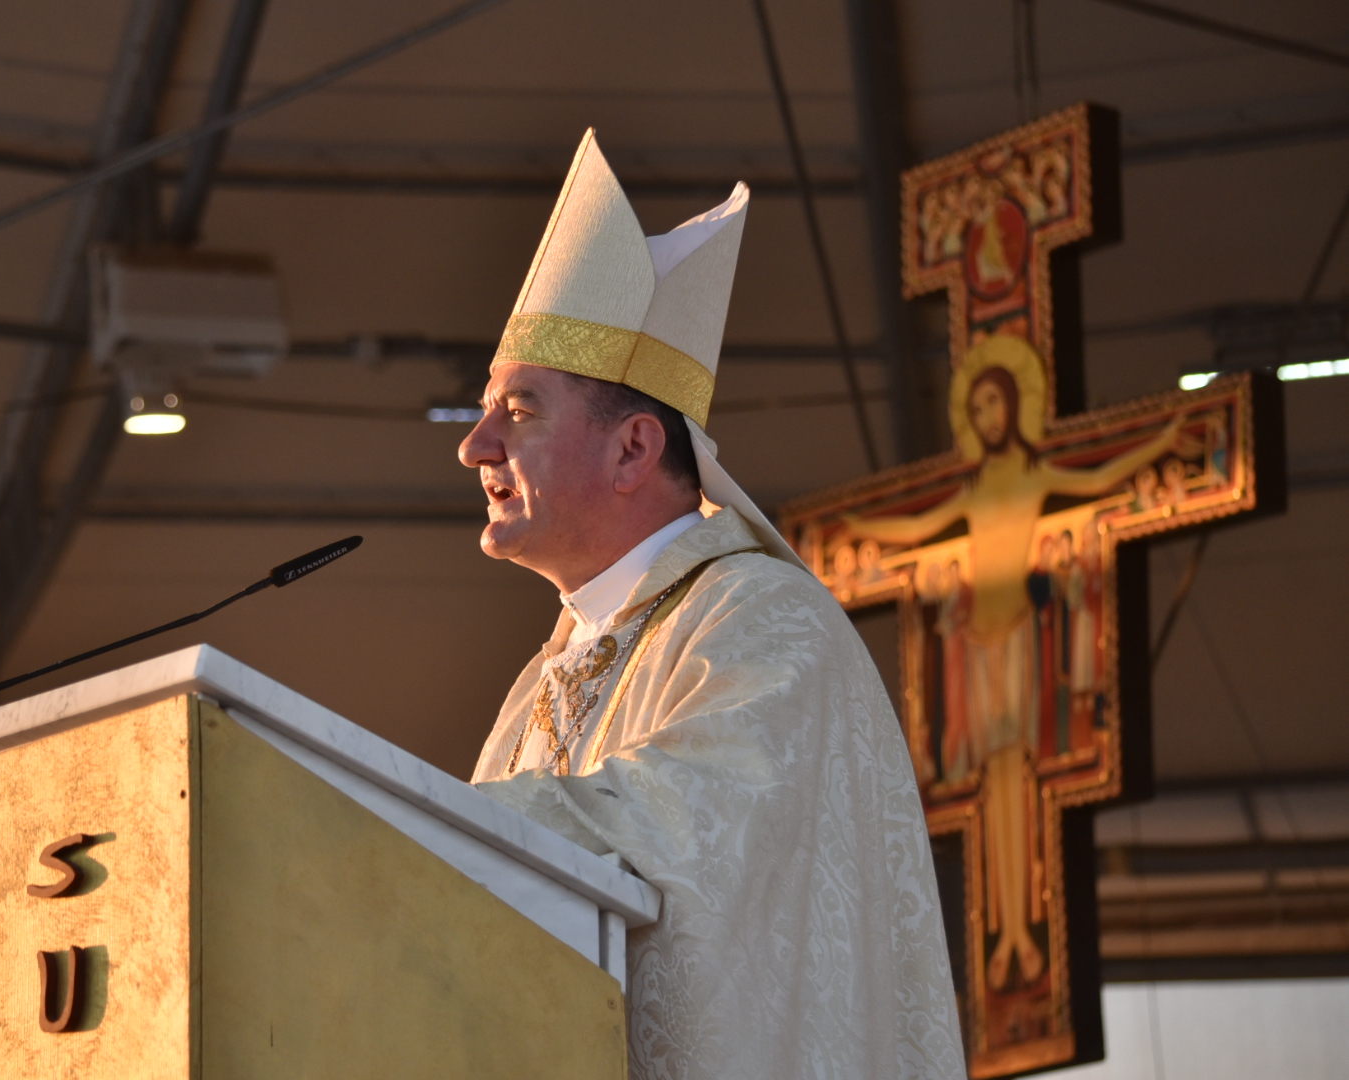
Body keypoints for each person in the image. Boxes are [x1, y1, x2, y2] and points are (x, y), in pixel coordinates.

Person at [461, 129, 965, 1080]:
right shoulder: (541, 682)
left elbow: (692, 835)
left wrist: (432, 823)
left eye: (518, 411)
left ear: (633, 449)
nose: (475, 446)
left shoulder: (764, 620)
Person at [841, 336, 1191, 992]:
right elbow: (919, 529)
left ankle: (1020, 929)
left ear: (1014, 405)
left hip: (1021, 644)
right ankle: (1007, 934)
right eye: (978, 408)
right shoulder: (975, 489)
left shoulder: (1032, 477)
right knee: (996, 784)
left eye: (995, 402)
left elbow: (1098, 481)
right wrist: (861, 527)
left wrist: (1163, 443)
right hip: (976, 648)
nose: (988, 417)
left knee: (1016, 782)